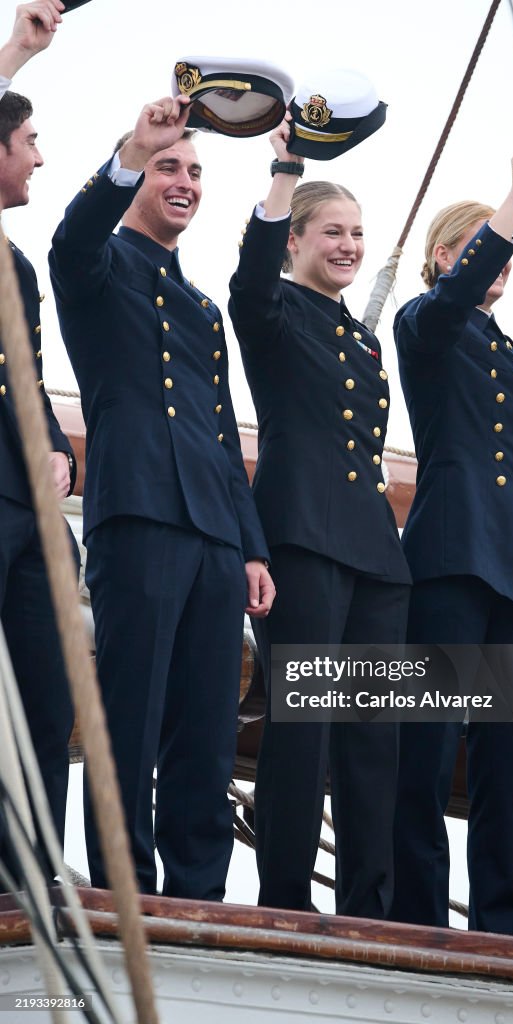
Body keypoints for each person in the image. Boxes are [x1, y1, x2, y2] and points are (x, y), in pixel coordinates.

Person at [49, 94, 275, 900]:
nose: (183, 180)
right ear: (136, 174)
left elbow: (220, 431)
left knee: (207, 730)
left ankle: (198, 896)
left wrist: (250, 546)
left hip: (214, 536)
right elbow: (69, 241)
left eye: (193, 170)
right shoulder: (98, 268)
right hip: (139, 517)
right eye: (167, 167)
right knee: (129, 720)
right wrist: (132, 148)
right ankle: (126, 893)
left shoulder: (202, 308)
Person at [228, 116, 411, 918]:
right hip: (301, 537)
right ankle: (286, 902)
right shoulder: (271, 311)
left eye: (358, 234)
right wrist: (285, 171)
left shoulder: (361, 341)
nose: (348, 245)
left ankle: (370, 908)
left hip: (375, 553)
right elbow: (248, 279)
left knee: (374, 738)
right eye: (331, 231)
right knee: (303, 729)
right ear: (296, 237)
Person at [391, 139, 513, 934]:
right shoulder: (425, 324)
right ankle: (418, 914)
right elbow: (449, 299)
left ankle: (500, 921)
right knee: (424, 755)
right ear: (440, 259)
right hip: (453, 563)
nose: (494, 262)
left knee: (509, 764)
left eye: (498, 252)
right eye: (474, 248)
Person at [0, 0, 77, 874]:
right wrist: (18, 50)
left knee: (46, 700)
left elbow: (27, 380)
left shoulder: (16, 267)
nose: (41, 157)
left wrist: (56, 443)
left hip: (29, 511)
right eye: (27, 142)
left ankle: (30, 875)